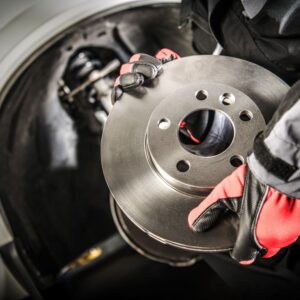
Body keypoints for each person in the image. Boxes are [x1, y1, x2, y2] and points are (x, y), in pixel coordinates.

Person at [112, 0, 300, 298]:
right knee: (223, 240)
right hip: (256, 181)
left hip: (284, 178)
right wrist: (196, 105)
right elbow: (230, 43)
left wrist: (282, 166)